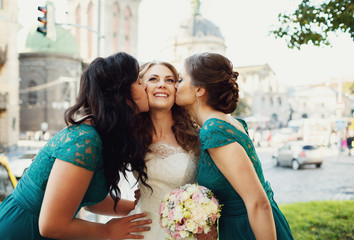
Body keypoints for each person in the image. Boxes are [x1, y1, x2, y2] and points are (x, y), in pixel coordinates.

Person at [0, 52, 152, 240]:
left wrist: (136, 208)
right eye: (138, 81)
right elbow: (51, 225)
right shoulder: (85, 140)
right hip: (21, 231)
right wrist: (108, 231)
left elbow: (88, 199)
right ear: (120, 92)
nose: (145, 85)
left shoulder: (101, 136)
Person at [175, 52, 294, 240]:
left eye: (180, 80)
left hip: (249, 228)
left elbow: (257, 201)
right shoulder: (229, 122)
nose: (175, 86)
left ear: (199, 89)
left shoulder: (214, 131)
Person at [130, 61, 202, 239]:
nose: (162, 84)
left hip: (184, 233)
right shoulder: (130, 135)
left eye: (169, 80)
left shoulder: (196, 137)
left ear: (176, 89)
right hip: (140, 230)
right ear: (141, 87)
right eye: (153, 79)